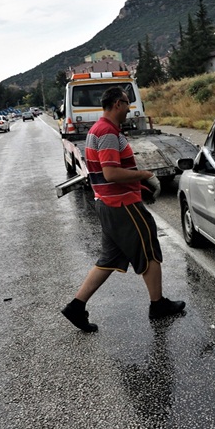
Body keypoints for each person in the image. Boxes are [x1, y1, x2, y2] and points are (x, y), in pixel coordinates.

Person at [61, 86, 185, 332]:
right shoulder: (106, 132)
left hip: (107, 204)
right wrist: (146, 175)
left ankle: (76, 306)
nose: (129, 108)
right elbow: (111, 173)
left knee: (109, 259)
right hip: (121, 205)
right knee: (149, 250)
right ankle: (158, 305)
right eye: (127, 103)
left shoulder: (97, 130)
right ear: (117, 104)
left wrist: (137, 183)